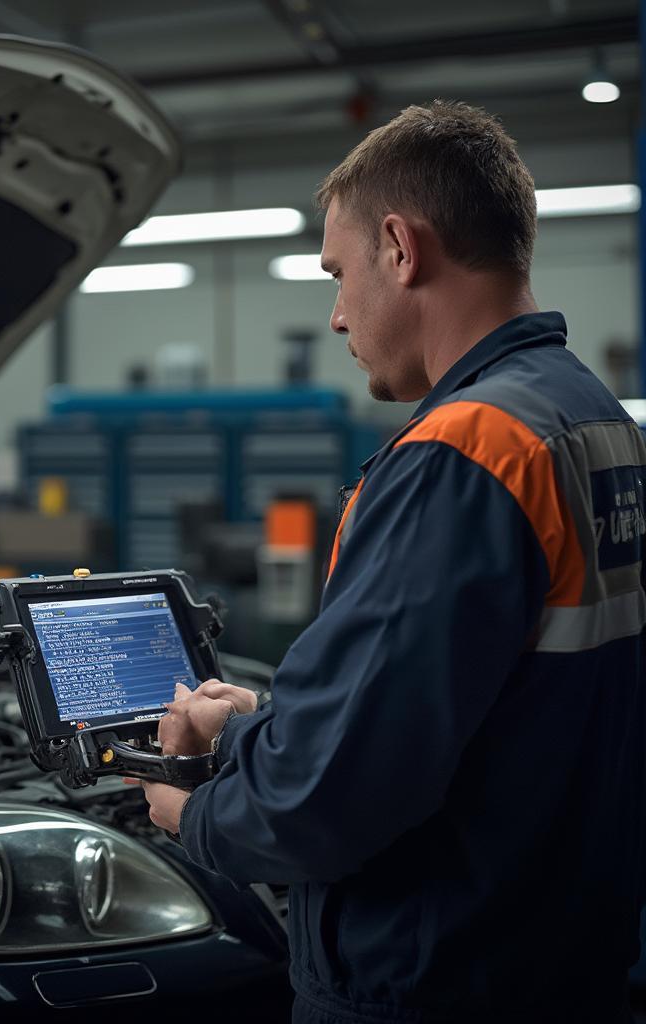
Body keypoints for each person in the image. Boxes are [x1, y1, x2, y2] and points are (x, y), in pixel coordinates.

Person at [141, 100, 646, 1023]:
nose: (335, 316)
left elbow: (330, 796)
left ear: (401, 249)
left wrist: (193, 813)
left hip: (436, 976)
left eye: (337, 274)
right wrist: (268, 720)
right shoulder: (591, 418)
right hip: (563, 956)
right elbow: (492, 695)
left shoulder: (464, 452)